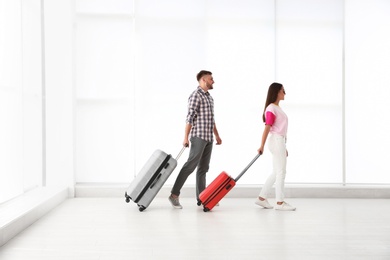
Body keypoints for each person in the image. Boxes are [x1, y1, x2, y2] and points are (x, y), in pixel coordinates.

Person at [168, 70, 222, 209]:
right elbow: (189, 117)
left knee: (203, 169)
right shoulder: (195, 96)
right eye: (211, 79)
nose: (213, 81)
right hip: (198, 136)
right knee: (190, 166)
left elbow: (211, 119)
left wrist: (216, 135)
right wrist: (185, 137)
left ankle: (202, 198)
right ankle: (174, 195)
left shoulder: (209, 97)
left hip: (208, 137)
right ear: (203, 80)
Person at [255, 82, 296, 211]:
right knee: (281, 172)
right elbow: (267, 127)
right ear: (277, 92)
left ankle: (262, 198)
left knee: (276, 172)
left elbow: (279, 128)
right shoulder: (271, 108)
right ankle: (280, 203)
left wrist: (284, 146)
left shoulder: (276, 108)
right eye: (283, 90)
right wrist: (261, 145)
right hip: (276, 141)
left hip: (279, 141)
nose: (285, 93)